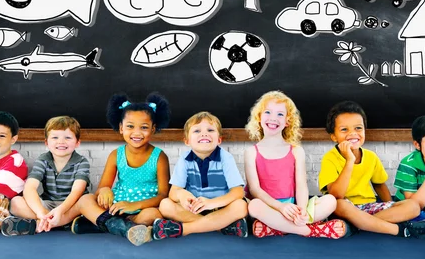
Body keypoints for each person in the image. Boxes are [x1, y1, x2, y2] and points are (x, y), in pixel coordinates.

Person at [318, 101, 425, 239]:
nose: (353, 133)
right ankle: (398, 230)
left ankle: (358, 225)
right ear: (333, 136)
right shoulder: (330, 158)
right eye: (344, 130)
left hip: (369, 207)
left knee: (413, 206)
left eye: (358, 128)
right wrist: (349, 161)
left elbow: (379, 185)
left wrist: (391, 206)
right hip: (345, 208)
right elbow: (336, 194)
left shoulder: (371, 157)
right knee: (339, 204)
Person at [70, 92, 171, 246]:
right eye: (130, 126)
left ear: (153, 129)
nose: (136, 132)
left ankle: (105, 225)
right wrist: (104, 190)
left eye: (144, 127)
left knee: (154, 215)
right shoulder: (116, 154)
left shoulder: (160, 157)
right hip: (116, 206)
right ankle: (125, 229)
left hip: (143, 208)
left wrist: (134, 206)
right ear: (121, 128)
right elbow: (102, 188)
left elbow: (164, 195)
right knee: (86, 199)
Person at [245, 91, 349, 238]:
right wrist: (281, 207)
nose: (273, 118)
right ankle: (311, 231)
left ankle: (277, 228)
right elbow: (255, 190)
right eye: (268, 112)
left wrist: (301, 211)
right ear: (259, 117)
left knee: (330, 201)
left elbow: (301, 185)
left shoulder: (296, 151)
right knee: (253, 206)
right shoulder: (251, 152)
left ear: (288, 121)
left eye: (280, 114)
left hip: (293, 207)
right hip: (268, 207)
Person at [153, 111, 248, 239]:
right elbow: (173, 192)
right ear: (187, 141)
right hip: (194, 209)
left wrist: (212, 203)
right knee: (165, 205)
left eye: (210, 130)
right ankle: (222, 227)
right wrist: (182, 195)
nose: (204, 133)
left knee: (241, 206)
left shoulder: (226, 158)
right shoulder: (184, 159)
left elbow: (238, 192)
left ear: (219, 140)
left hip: (220, 207)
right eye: (197, 131)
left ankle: (185, 229)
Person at [0, 115, 90, 236]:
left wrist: (61, 210)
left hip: (71, 205)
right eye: (55, 137)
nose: (61, 142)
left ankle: (39, 224)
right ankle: (55, 222)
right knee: (15, 202)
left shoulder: (82, 162)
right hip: (49, 204)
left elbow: (77, 191)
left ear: (77, 142)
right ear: (46, 142)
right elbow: (30, 188)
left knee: (88, 201)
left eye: (67, 137)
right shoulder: (43, 160)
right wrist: (41, 212)